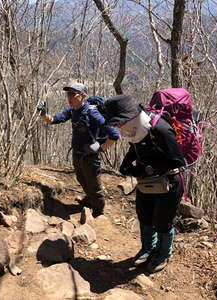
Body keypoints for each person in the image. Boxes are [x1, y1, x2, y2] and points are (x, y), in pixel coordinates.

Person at [104, 94, 186, 273]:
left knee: (163, 220)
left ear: (129, 117)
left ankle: (163, 253)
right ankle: (148, 249)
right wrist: (126, 164)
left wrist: (146, 169)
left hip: (169, 181)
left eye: (118, 123)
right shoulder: (136, 128)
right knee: (145, 215)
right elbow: (136, 146)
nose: (117, 127)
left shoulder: (160, 129)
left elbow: (178, 161)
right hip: (148, 181)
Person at [39, 83, 120, 217]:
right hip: (77, 154)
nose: (69, 97)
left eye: (73, 94)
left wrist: (100, 149)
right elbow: (54, 119)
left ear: (83, 96)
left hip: (90, 156)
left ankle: (99, 211)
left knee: (93, 183)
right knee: (81, 179)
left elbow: (114, 135)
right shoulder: (72, 111)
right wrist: (43, 114)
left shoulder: (92, 113)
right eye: (68, 94)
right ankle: (89, 200)